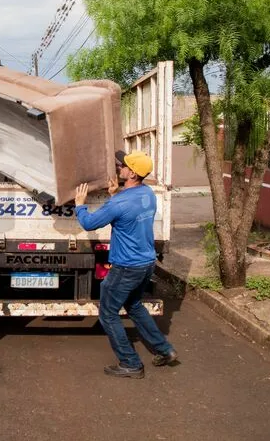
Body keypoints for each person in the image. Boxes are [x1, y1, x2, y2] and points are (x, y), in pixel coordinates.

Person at [74, 150, 177, 378]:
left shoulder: (120, 202)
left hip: (126, 267)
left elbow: (90, 223)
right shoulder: (147, 194)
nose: (119, 167)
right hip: (147, 262)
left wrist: (80, 205)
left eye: (123, 165)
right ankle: (165, 349)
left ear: (131, 173)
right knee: (134, 305)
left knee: (108, 313)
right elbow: (126, 208)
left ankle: (130, 363)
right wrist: (115, 194)